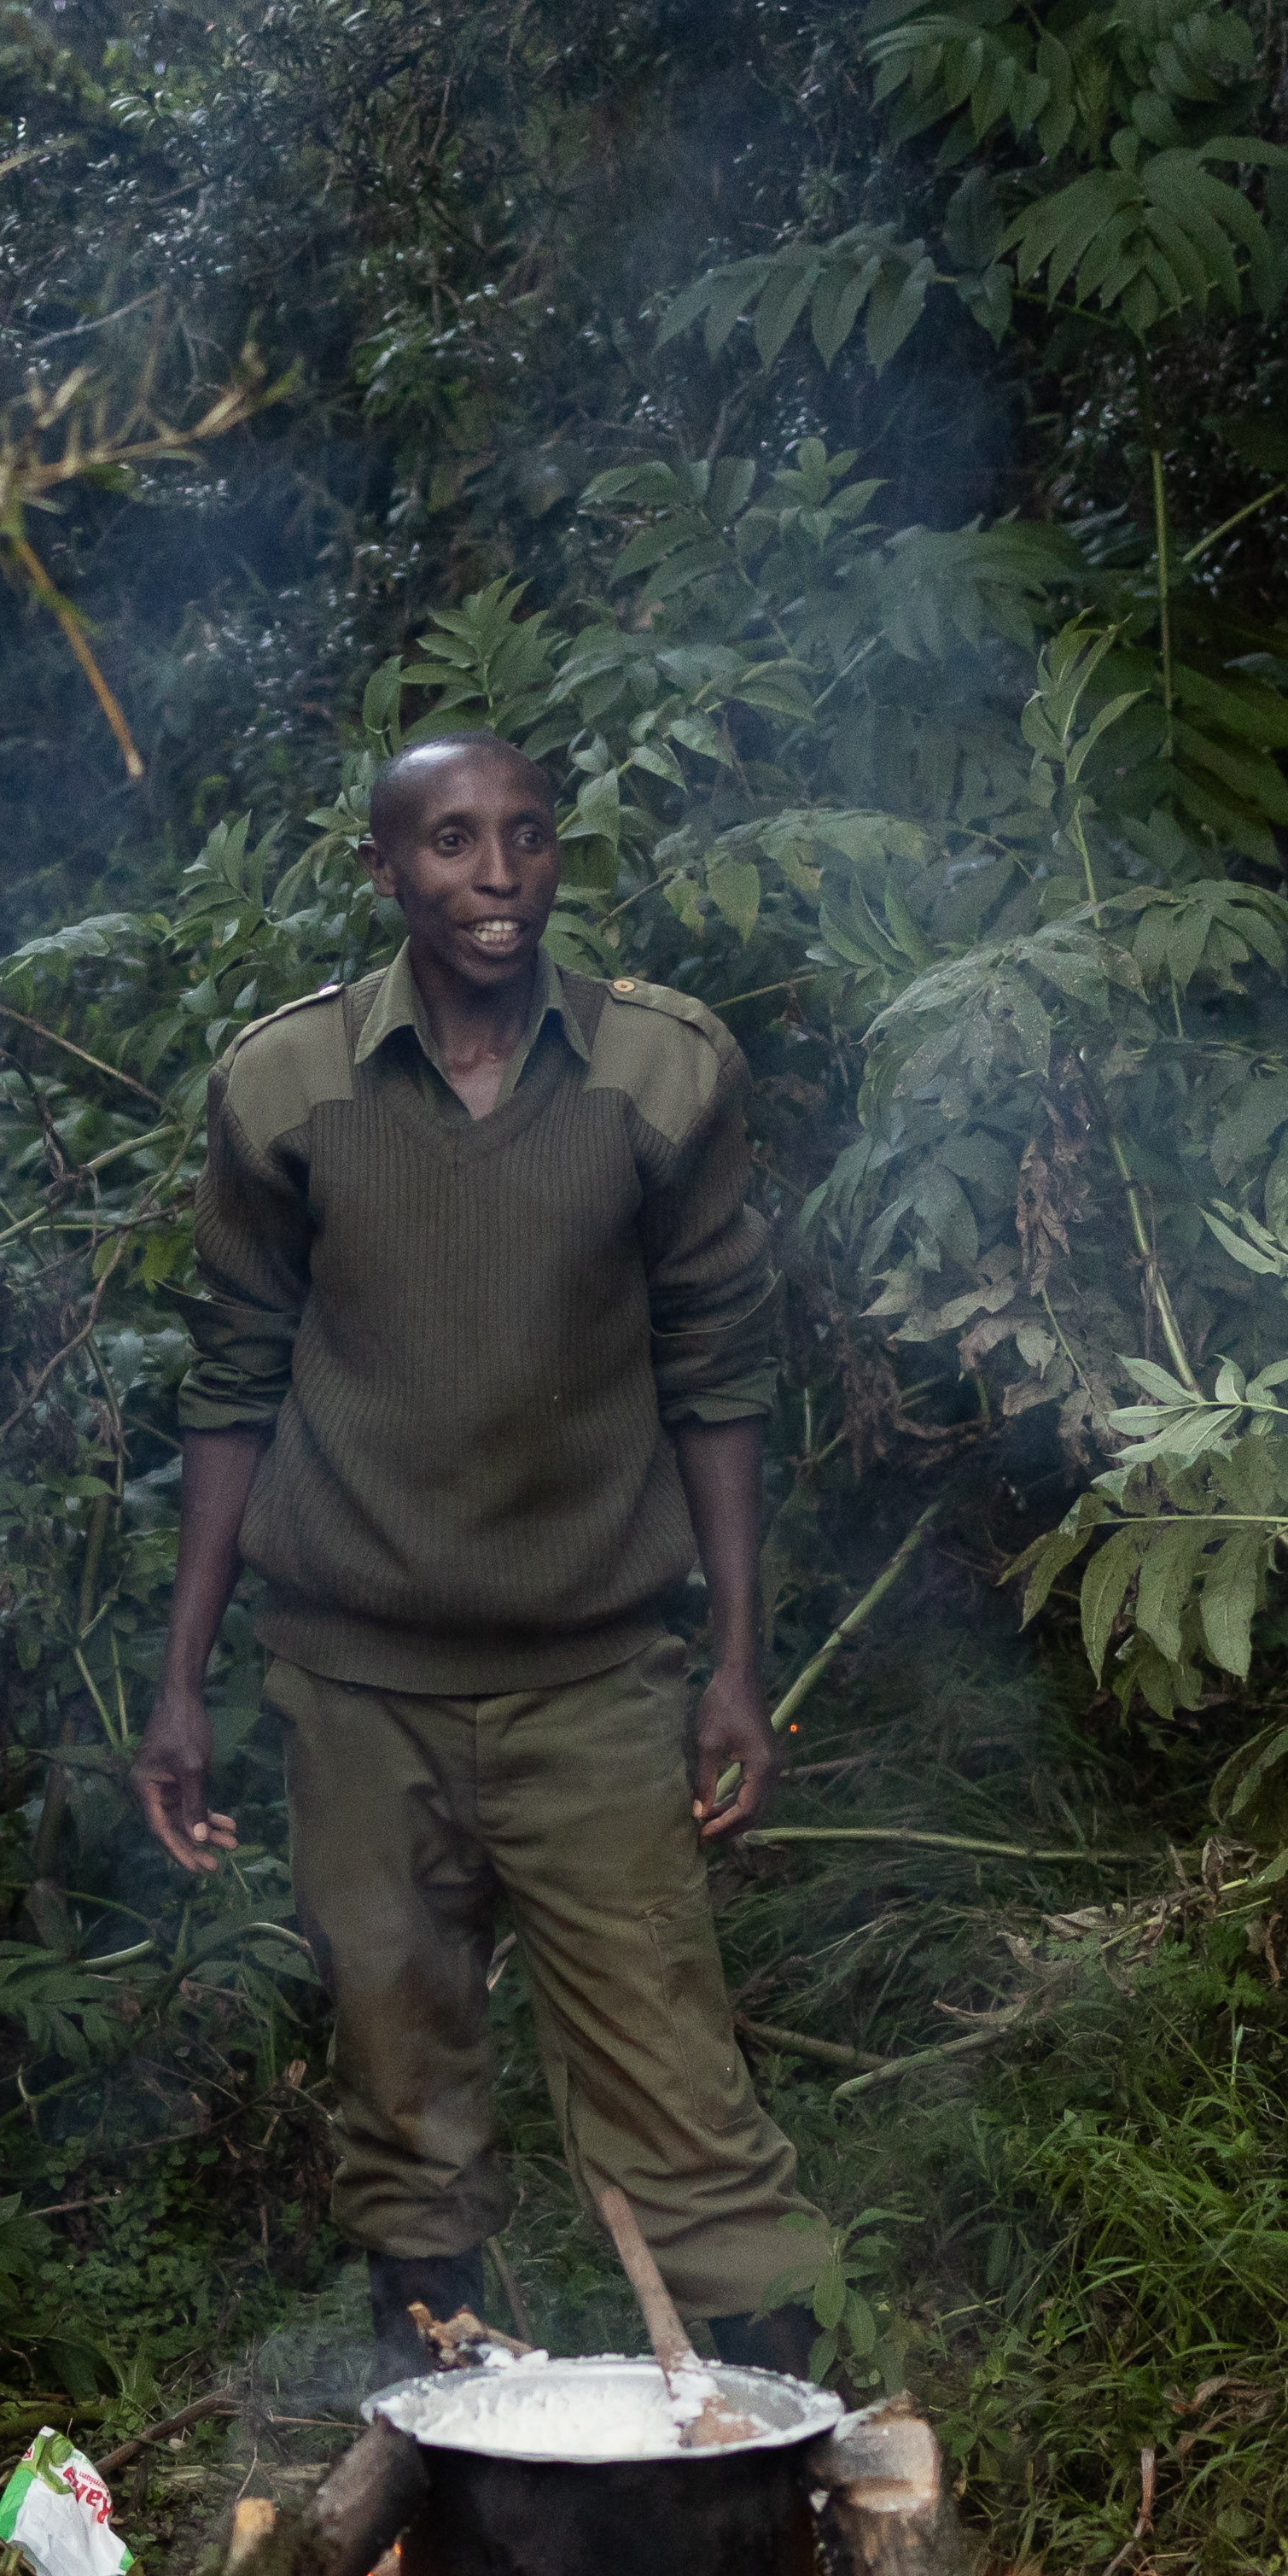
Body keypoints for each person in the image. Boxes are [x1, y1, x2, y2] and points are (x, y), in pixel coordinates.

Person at [133, 730, 828, 2389]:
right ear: (382, 872)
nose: (497, 872)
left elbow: (720, 1369)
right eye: (450, 841)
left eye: (526, 835)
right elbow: (232, 1383)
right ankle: (444, 2418)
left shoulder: (660, 1078)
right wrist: (182, 1682)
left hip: (594, 1684)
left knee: (679, 2081)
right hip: (358, 1692)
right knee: (403, 2079)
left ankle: (781, 2453)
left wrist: (737, 1658)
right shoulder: (287, 1090)